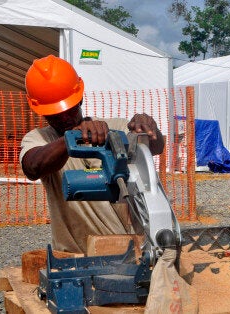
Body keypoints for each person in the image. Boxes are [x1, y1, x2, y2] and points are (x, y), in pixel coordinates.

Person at [19, 55, 165, 254]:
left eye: (69, 110)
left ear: (79, 98)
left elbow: (156, 147)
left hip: (133, 251)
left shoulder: (115, 129)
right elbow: (33, 167)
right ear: (41, 112)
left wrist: (149, 127)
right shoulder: (40, 140)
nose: (63, 118)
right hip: (73, 258)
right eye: (54, 114)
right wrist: (73, 137)